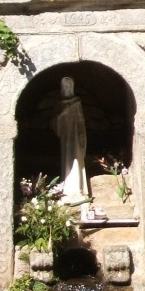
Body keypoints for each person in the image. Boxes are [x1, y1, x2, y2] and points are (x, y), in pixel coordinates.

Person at [51, 76, 90, 204]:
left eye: (69, 86)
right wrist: (59, 117)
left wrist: (82, 136)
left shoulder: (76, 102)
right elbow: (54, 124)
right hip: (66, 137)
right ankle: (67, 190)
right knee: (66, 163)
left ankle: (78, 189)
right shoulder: (59, 104)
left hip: (76, 136)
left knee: (77, 162)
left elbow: (81, 120)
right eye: (65, 87)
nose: (67, 89)